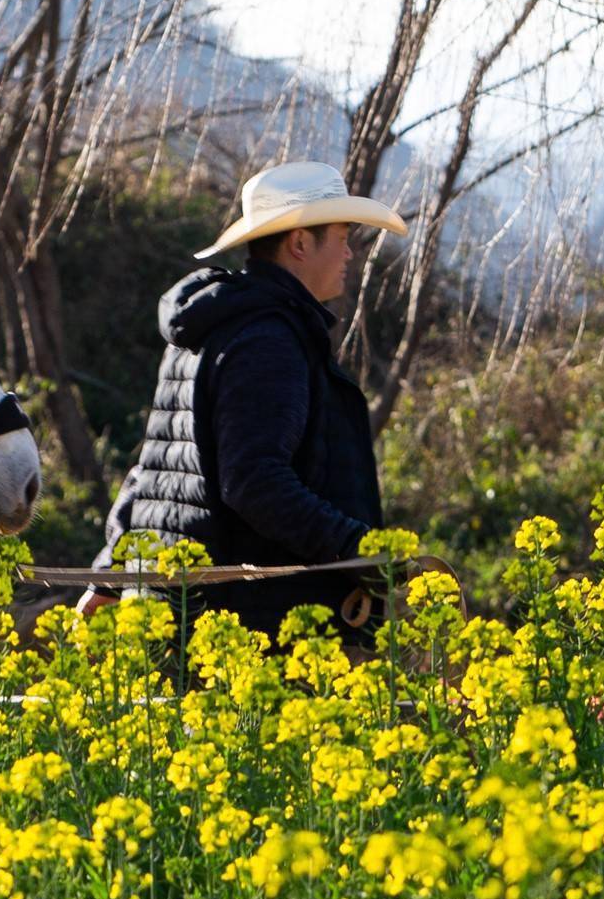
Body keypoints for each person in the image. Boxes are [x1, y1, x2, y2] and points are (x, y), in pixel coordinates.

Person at [95, 158, 402, 637]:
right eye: (342, 238)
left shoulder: (210, 326)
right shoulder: (268, 339)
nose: (349, 255)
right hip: (251, 632)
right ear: (300, 243)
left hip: (181, 622)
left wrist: (110, 571)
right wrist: (359, 550)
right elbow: (253, 481)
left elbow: (155, 466)